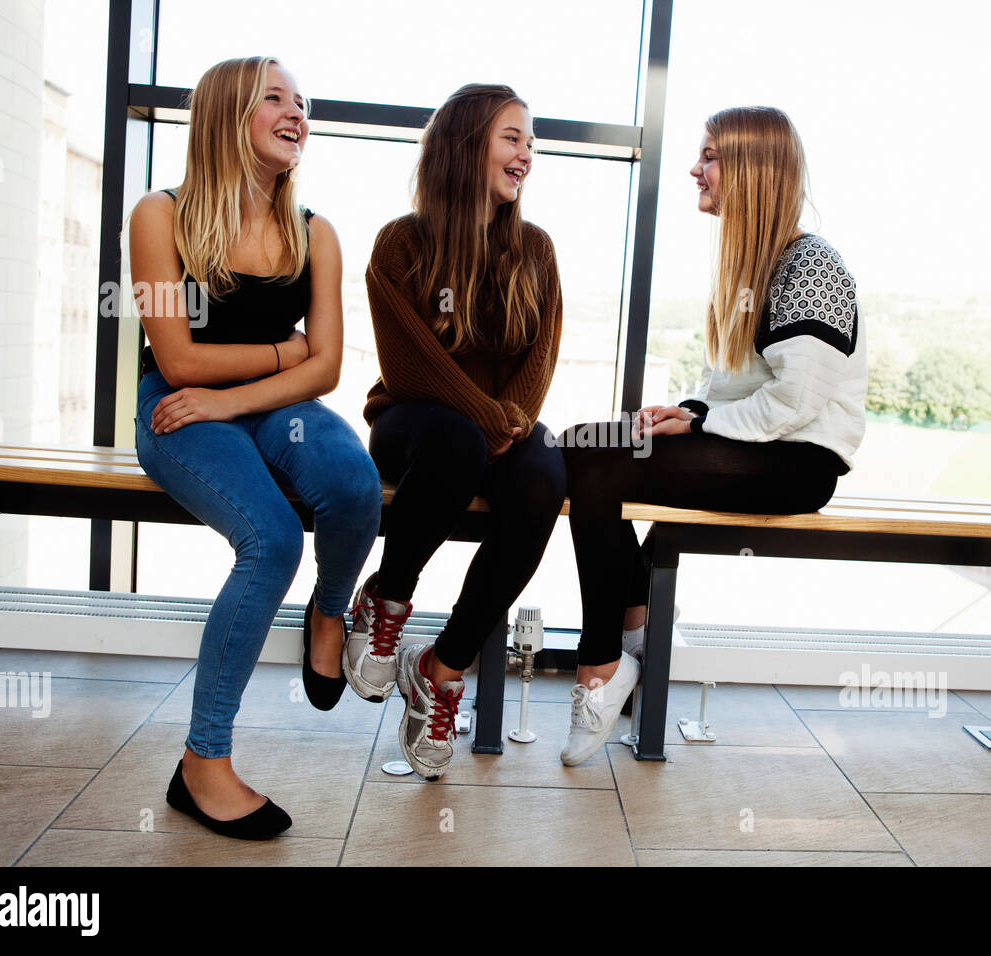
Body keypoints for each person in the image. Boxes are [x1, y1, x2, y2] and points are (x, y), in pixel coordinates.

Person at [559, 106, 867, 766]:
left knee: (603, 465)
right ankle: (634, 642)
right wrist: (688, 410)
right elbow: (731, 385)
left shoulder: (811, 266)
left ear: (752, 168)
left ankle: (602, 664)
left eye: (709, 157)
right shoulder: (751, 264)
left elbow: (793, 402)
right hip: (753, 441)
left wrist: (702, 422)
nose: (695, 169)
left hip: (798, 460)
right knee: (583, 443)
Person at [130, 56, 381, 838]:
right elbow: (179, 362)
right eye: (275, 98)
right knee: (270, 539)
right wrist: (283, 352)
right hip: (179, 411)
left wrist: (244, 390)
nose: (296, 113)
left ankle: (330, 612)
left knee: (355, 487)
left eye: (302, 103)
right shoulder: (157, 217)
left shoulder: (317, 233)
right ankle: (202, 765)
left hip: (271, 407)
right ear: (226, 115)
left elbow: (330, 367)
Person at [346, 84, 565, 781]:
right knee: (456, 442)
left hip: (500, 429)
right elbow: (411, 362)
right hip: (416, 424)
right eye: (512, 137)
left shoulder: (535, 248)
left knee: (545, 472)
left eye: (530, 141)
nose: (525, 153)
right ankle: (385, 601)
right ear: (467, 144)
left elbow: (542, 353)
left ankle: (438, 671)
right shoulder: (401, 242)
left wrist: (515, 421)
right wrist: (488, 415)